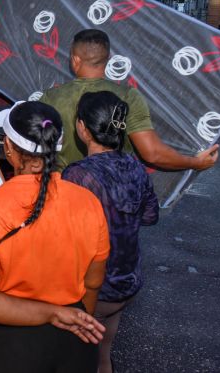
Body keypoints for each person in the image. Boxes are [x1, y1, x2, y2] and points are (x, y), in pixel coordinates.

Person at [0, 101, 108, 373]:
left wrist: (52, 314)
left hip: (1, 345)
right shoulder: (88, 203)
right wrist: (68, 316)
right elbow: (93, 282)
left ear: (10, 150)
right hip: (71, 343)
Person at [62, 91, 160, 373]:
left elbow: (63, 234)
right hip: (126, 284)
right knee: (103, 355)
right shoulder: (137, 168)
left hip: (93, 289)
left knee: (74, 357)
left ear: (82, 128)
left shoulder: (78, 175)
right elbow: (151, 215)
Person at [41, 29, 219, 171]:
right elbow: (152, 153)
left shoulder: (50, 98)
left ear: (75, 59)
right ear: (108, 59)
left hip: (63, 192)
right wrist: (195, 162)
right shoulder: (127, 96)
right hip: (111, 193)